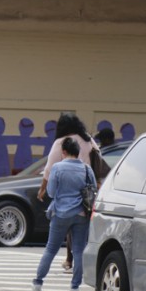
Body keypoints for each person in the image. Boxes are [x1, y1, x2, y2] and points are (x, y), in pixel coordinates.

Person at [32, 137, 95, 291]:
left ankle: (37, 286)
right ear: (77, 152)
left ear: (64, 152)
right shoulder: (87, 169)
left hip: (60, 213)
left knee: (51, 249)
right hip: (81, 214)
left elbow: (51, 192)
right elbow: (93, 190)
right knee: (79, 251)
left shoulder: (57, 168)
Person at [37, 112, 98, 273]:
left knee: (51, 247)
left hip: (66, 194)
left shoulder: (61, 142)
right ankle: (74, 270)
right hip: (86, 193)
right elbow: (98, 155)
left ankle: (41, 280)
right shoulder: (87, 139)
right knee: (79, 231)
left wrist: (43, 188)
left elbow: (49, 168)